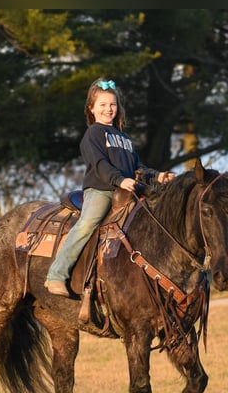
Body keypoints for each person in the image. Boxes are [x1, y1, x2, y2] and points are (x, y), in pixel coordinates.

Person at [45, 77, 174, 297]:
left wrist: (158, 176)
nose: (108, 109)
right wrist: (119, 180)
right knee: (87, 224)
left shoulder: (123, 138)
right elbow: (99, 164)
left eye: (112, 104)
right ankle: (56, 275)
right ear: (91, 109)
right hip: (102, 190)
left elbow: (137, 167)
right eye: (103, 105)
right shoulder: (93, 134)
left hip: (126, 191)